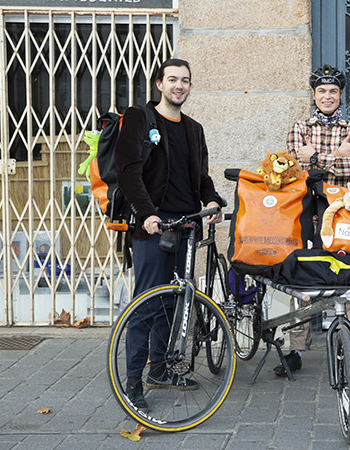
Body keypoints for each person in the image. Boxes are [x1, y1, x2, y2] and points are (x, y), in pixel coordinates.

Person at [115, 58, 225, 412]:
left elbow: (201, 176)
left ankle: (160, 370)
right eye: (173, 79)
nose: (180, 85)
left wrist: (211, 199)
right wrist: (147, 214)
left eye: (186, 80)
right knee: (147, 303)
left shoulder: (194, 128)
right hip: (152, 225)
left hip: (187, 224)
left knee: (174, 301)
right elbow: (129, 172)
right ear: (159, 84)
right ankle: (133, 384)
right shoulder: (139, 118)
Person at [282, 64, 350, 380]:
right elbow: (294, 167)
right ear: (313, 95)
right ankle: (295, 349)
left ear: (340, 95)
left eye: (333, 91)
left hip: (344, 215)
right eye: (321, 91)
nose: (327, 96)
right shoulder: (300, 127)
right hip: (308, 212)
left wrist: (318, 158)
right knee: (303, 277)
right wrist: (336, 156)